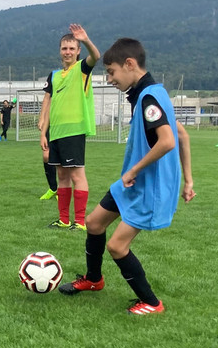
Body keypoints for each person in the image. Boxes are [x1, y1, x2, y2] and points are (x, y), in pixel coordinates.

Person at [58, 38, 196, 315]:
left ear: (130, 65)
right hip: (131, 183)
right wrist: (189, 180)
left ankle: (152, 303)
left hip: (149, 187)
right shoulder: (154, 92)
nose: (109, 79)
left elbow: (168, 140)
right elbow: (182, 134)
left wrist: (134, 169)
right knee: (94, 223)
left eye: (111, 72)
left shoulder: (149, 98)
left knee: (117, 246)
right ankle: (94, 280)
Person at [39, 24, 100, 231]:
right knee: (62, 177)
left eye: (72, 48)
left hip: (74, 131)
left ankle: (80, 221)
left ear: (78, 51)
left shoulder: (82, 69)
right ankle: (64, 220)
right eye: (64, 48)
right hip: (55, 132)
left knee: (77, 176)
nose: (68, 52)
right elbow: (50, 105)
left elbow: (96, 56)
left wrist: (86, 39)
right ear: (60, 51)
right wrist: (43, 133)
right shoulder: (54, 75)